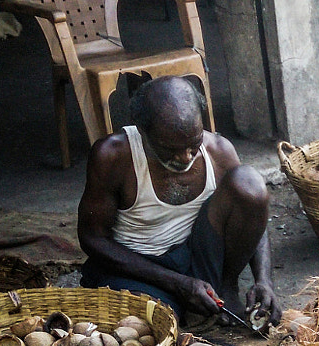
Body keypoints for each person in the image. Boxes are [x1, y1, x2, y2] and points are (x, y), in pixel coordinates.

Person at [77, 74, 280, 326]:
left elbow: (253, 217)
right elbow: (92, 238)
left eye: (193, 144)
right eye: (170, 149)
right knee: (153, 326)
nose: (185, 157)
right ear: (142, 130)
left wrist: (264, 281)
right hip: (141, 268)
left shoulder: (218, 150)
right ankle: (185, 307)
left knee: (249, 183)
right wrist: (177, 283)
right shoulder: (113, 155)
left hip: (197, 257)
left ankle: (225, 288)